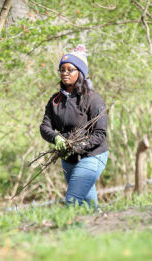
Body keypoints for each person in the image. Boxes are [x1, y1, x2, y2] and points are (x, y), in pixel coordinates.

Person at [40, 45, 108, 209]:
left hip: (92, 156)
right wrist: (55, 137)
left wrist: (81, 145)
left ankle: (63, 231)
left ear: (81, 73)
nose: (65, 73)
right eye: (62, 70)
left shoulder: (93, 99)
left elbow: (100, 133)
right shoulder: (55, 100)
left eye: (70, 69)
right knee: (88, 205)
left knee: (72, 201)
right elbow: (45, 127)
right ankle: (98, 229)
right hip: (68, 159)